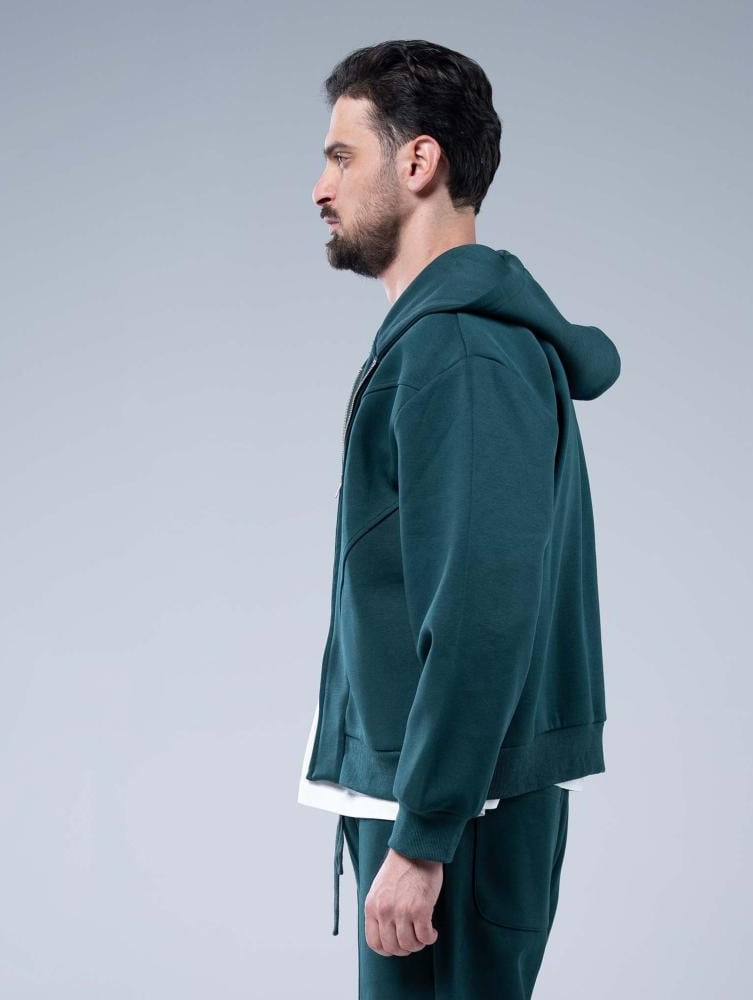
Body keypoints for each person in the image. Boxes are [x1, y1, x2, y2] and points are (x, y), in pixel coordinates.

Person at [298, 38, 621, 998]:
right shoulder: (437, 343)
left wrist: (425, 835)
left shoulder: (462, 353)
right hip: (433, 806)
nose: (320, 188)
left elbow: (482, 607)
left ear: (419, 162)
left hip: (455, 820)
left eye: (342, 155)